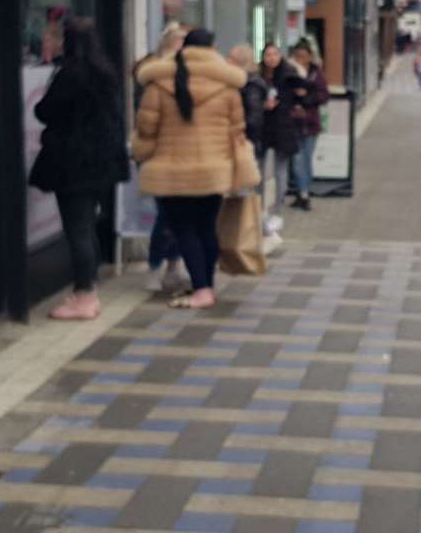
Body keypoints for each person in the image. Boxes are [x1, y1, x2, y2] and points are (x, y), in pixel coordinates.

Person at [132, 28, 259, 310]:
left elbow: (146, 129)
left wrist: (141, 151)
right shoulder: (227, 86)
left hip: (172, 170)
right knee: (205, 227)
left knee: (183, 228)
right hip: (214, 170)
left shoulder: (159, 83)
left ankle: (201, 289)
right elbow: (237, 131)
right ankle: (207, 285)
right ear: (212, 49)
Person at [30, 18, 129, 321]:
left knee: (78, 228)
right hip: (100, 163)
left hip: (74, 164)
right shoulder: (105, 72)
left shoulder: (71, 75)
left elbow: (45, 110)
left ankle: (84, 295)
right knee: (87, 224)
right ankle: (89, 288)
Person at [134, 25, 189, 294]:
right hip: (160, 155)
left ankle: (173, 265)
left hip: (186, 156)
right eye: (182, 44)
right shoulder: (153, 77)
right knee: (165, 215)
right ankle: (156, 266)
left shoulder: (189, 75)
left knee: (180, 215)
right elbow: (145, 123)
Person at [257, 43, 301, 230]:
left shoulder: (289, 74)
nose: (271, 58)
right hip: (262, 128)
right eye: (268, 54)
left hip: (282, 129)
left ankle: (277, 208)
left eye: (275, 54)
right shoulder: (257, 76)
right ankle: (258, 209)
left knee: (280, 170)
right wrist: (262, 106)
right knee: (258, 171)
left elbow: (300, 97)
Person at [288, 41, 329, 210]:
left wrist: (306, 97)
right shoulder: (289, 72)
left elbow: (324, 96)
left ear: (310, 57)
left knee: (305, 160)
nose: (301, 60)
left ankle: (303, 193)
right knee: (298, 160)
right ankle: (303, 193)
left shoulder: (315, 73)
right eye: (298, 57)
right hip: (293, 123)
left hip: (310, 124)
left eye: (304, 57)